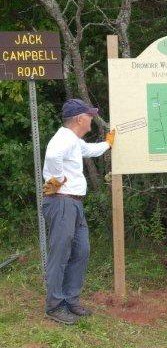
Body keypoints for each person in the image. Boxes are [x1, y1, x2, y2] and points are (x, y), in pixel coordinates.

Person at [42, 99, 115, 325]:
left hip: (73, 203)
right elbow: (53, 157)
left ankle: (71, 299)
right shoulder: (62, 139)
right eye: (89, 115)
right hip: (62, 202)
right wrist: (56, 180)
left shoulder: (73, 140)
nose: (92, 119)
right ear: (79, 119)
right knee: (60, 254)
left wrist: (108, 144)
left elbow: (90, 150)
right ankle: (54, 305)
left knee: (81, 251)